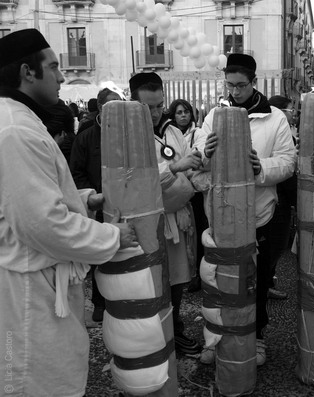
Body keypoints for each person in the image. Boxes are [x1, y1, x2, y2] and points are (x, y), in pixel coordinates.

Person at [0, 29, 137, 396]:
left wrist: (84, 199)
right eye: (55, 67)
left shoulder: (18, 120)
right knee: (33, 381)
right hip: (30, 291)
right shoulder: (14, 129)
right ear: (28, 72)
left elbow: (29, 198)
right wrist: (112, 237)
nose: (62, 77)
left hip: (38, 282)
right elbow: (39, 223)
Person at [200, 54, 296, 365]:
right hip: (223, 213)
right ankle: (216, 336)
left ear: (253, 82)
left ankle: (256, 336)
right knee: (219, 277)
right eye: (230, 85)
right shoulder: (215, 114)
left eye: (241, 85)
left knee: (256, 278)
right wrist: (205, 151)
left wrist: (260, 167)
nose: (235, 92)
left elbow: (288, 161)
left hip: (260, 212)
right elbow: (199, 152)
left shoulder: (275, 118)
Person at [129, 72, 203, 357]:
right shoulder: (126, 134)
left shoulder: (172, 130)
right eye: (149, 107)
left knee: (178, 277)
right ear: (134, 102)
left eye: (160, 105)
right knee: (152, 279)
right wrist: (173, 168)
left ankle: (175, 329)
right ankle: (156, 336)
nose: (157, 112)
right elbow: (133, 178)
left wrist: (198, 160)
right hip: (148, 220)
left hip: (177, 212)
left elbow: (187, 164)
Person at [69, 87, 123, 322]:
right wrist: (93, 196)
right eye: (113, 104)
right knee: (101, 257)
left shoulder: (126, 133)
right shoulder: (86, 137)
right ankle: (100, 303)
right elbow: (77, 173)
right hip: (98, 207)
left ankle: (122, 299)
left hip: (124, 206)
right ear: (101, 108)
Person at [167, 98, 209, 293]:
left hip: (194, 192)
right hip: (173, 192)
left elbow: (197, 159)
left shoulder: (199, 133)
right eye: (179, 112)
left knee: (197, 233)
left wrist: (181, 166)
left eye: (186, 112)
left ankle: (197, 275)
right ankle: (183, 275)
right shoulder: (168, 134)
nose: (183, 115)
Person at [266, 95, 299, 300]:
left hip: (281, 196)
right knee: (274, 244)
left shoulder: (285, 131)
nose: (293, 113)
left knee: (275, 244)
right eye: (290, 109)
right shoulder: (278, 132)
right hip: (277, 197)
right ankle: (265, 284)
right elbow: (284, 170)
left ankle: (266, 282)